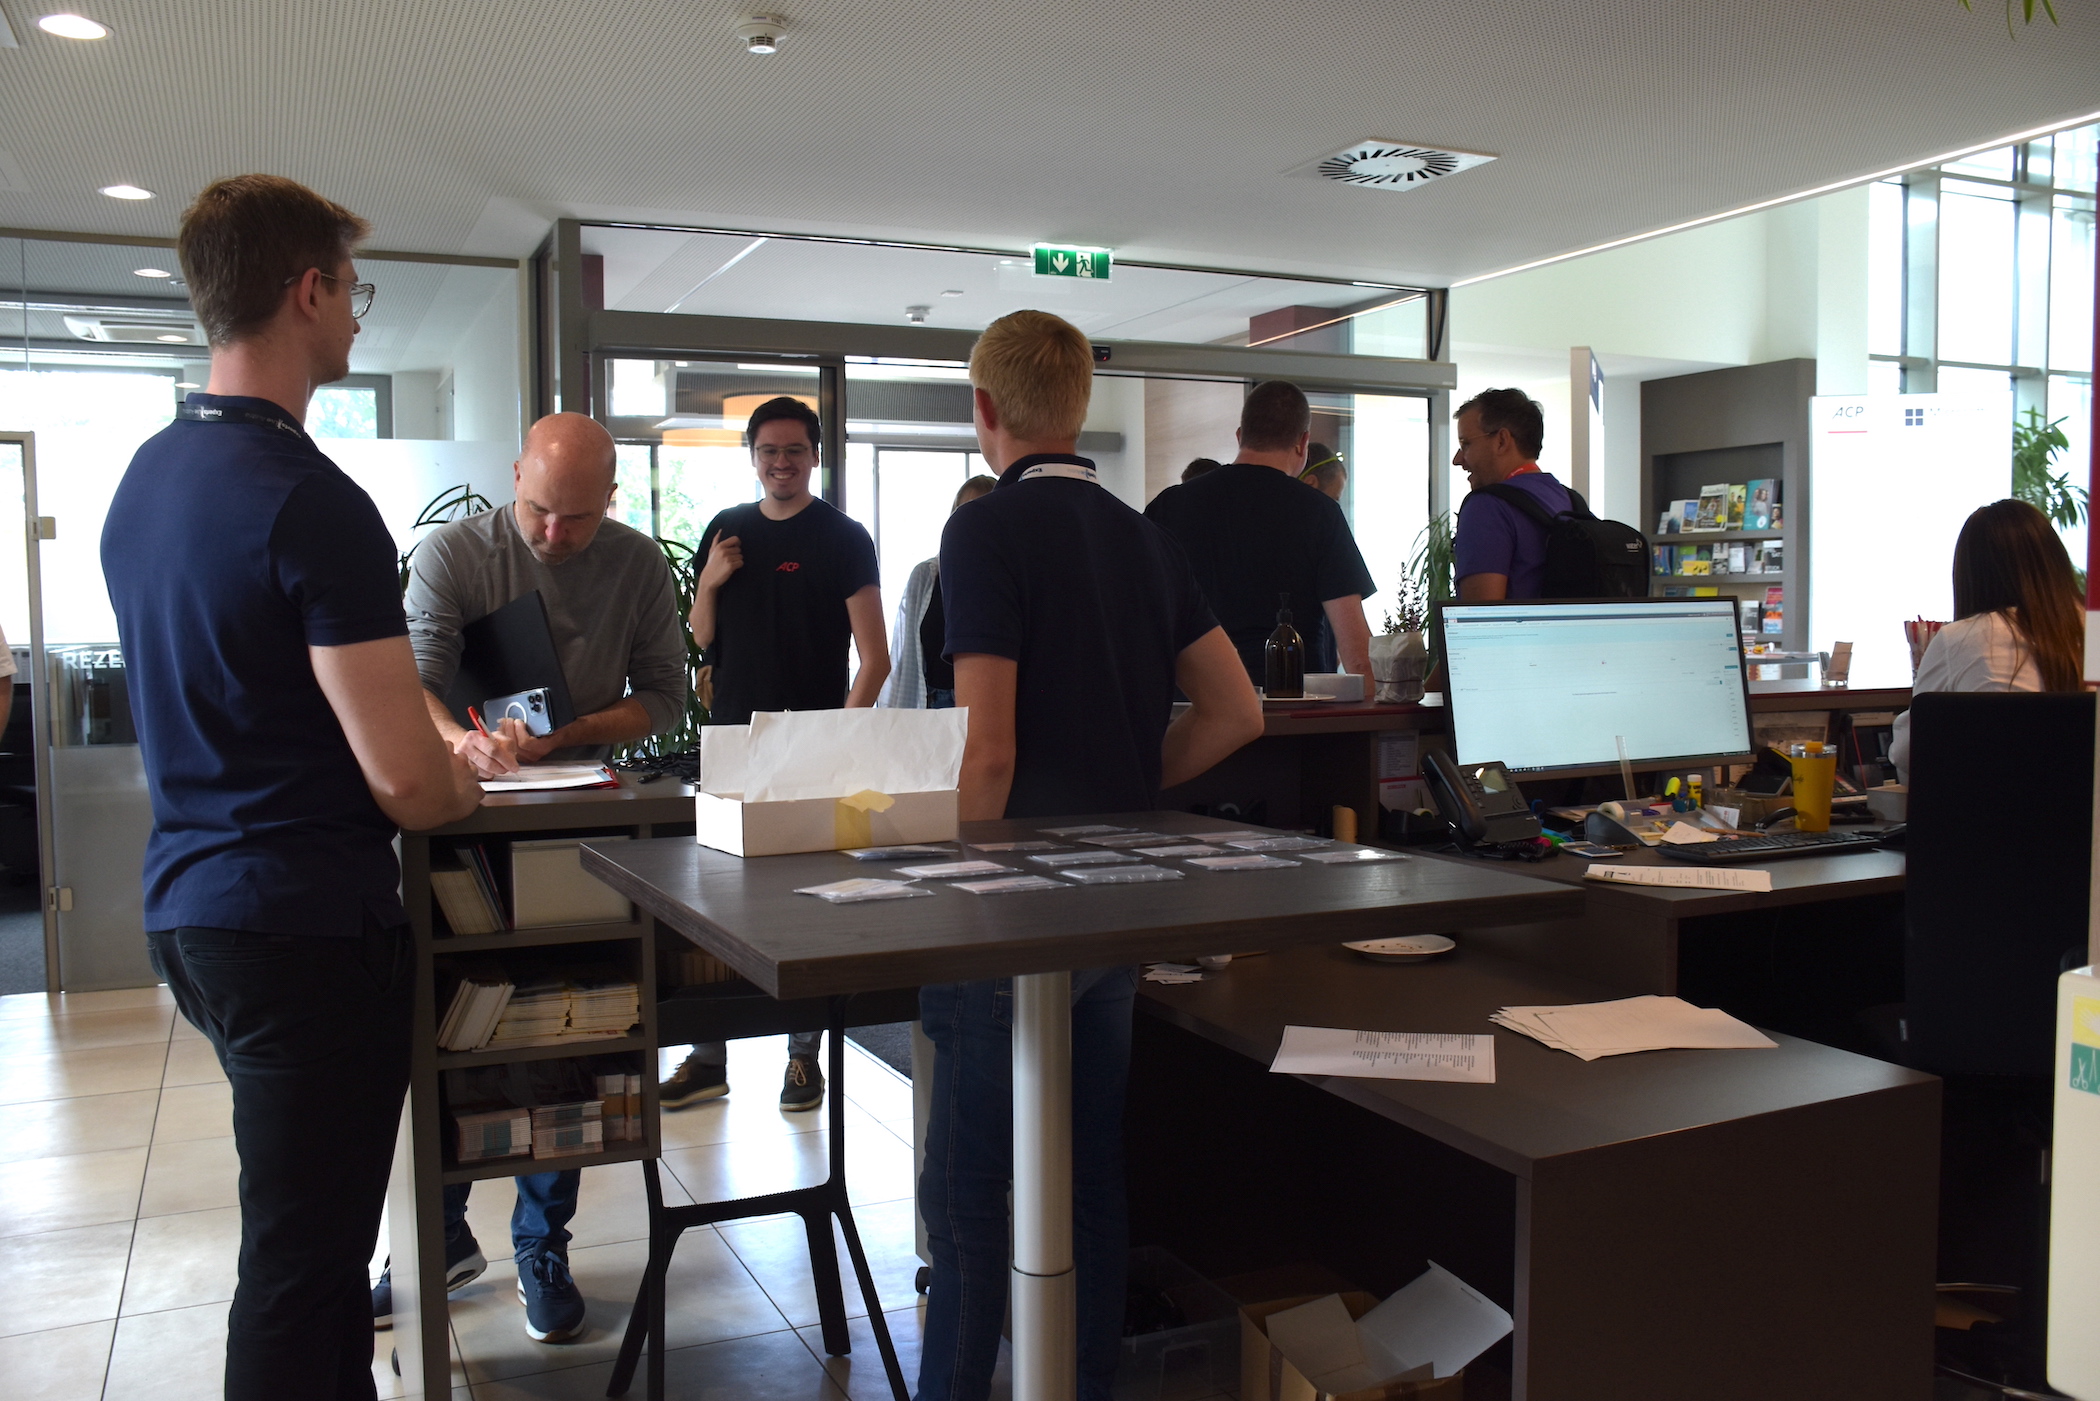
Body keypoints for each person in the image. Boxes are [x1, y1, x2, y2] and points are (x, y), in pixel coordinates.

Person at [100, 173, 483, 1401]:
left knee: (306, 1257)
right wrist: (466, 784)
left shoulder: (147, 480)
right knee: (303, 1270)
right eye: (353, 291)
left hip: (193, 910)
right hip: (302, 927)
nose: (357, 317)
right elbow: (408, 781)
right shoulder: (310, 501)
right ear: (307, 290)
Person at [921, 309, 1263, 1401]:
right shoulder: (1144, 536)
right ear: (1078, 404)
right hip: (1113, 908)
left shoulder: (983, 533)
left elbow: (988, 751)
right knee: (1086, 1176)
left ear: (986, 410)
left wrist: (946, 891)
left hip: (1007, 912)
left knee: (968, 1193)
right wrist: (1128, 784)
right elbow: (1238, 711)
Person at [385, 411, 688, 1344]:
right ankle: (436, 1233)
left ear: (612, 501)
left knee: (572, 1025)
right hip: (464, 820)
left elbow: (664, 696)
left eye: (579, 518)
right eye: (540, 511)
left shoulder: (637, 565)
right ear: (514, 474)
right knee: (450, 1023)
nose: (555, 534)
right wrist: (461, 739)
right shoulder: (452, 554)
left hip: (580, 817)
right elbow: (413, 681)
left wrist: (569, 735)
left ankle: (540, 1243)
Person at [664, 396, 888, 1112]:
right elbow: (701, 638)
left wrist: (837, 740)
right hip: (733, 741)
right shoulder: (725, 529)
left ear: (815, 456)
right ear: (753, 457)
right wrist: (709, 581)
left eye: (794, 450)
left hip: (810, 749)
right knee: (715, 902)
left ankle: (802, 1057)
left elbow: (876, 659)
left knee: (805, 907)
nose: (781, 463)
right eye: (769, 451)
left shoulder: (844, 537)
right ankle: (708, 1059)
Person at [1144, 381, 1375, 679]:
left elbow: (1140, 616)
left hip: (1190, 700)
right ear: (1302, 443)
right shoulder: (1320, 513)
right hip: (1293, 701)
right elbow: (1357, 656)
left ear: (1240, 436)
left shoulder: (1169, 506)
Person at [1889, 498, 2085, 783]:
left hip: (1998, 806)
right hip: (2086, 808)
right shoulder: (2091, 628)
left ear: (1972, 574)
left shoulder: (1960, 638)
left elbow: (1908, 754)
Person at [880, 474, 996, 709]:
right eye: (965, 513)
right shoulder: (926, 575)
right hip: (930, 702)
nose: (974, 524)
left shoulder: (1005, 580)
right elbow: (905, 654)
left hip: (983, 703)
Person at [1450, 387, 1571, 601]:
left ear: (1502, 441)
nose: (1457, 459)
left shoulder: (1487, 507)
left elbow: (1480, 616)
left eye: (1466, 444)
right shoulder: (1569, 500)